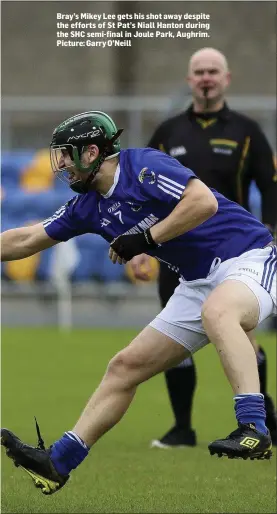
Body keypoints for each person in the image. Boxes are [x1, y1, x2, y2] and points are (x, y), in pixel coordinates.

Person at [1, 110, 276, 496]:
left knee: (219, 311)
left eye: (66, 154)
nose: (60, 164)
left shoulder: (143, 165)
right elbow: (27, 240)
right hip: (197, 281)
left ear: (92, 151)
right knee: (124, 367)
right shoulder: (89, 205)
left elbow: (202, 202)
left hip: (249, 256)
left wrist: (147, 239)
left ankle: (254, 427)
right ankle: (58, 462)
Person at [130, 47, 277, 449]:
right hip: (176, 254)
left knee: (243, 337)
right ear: (189, 79)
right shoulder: (167, 133)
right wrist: (142, 247)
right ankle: (182, 428)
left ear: (226, 78)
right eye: (199, 71)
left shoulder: (248, 131)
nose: (206, 77)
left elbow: (270, 186)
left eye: (213, 71)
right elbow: (143, 195)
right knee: (173, 341)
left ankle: (261, 422)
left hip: (237, 255)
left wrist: (271, 229)